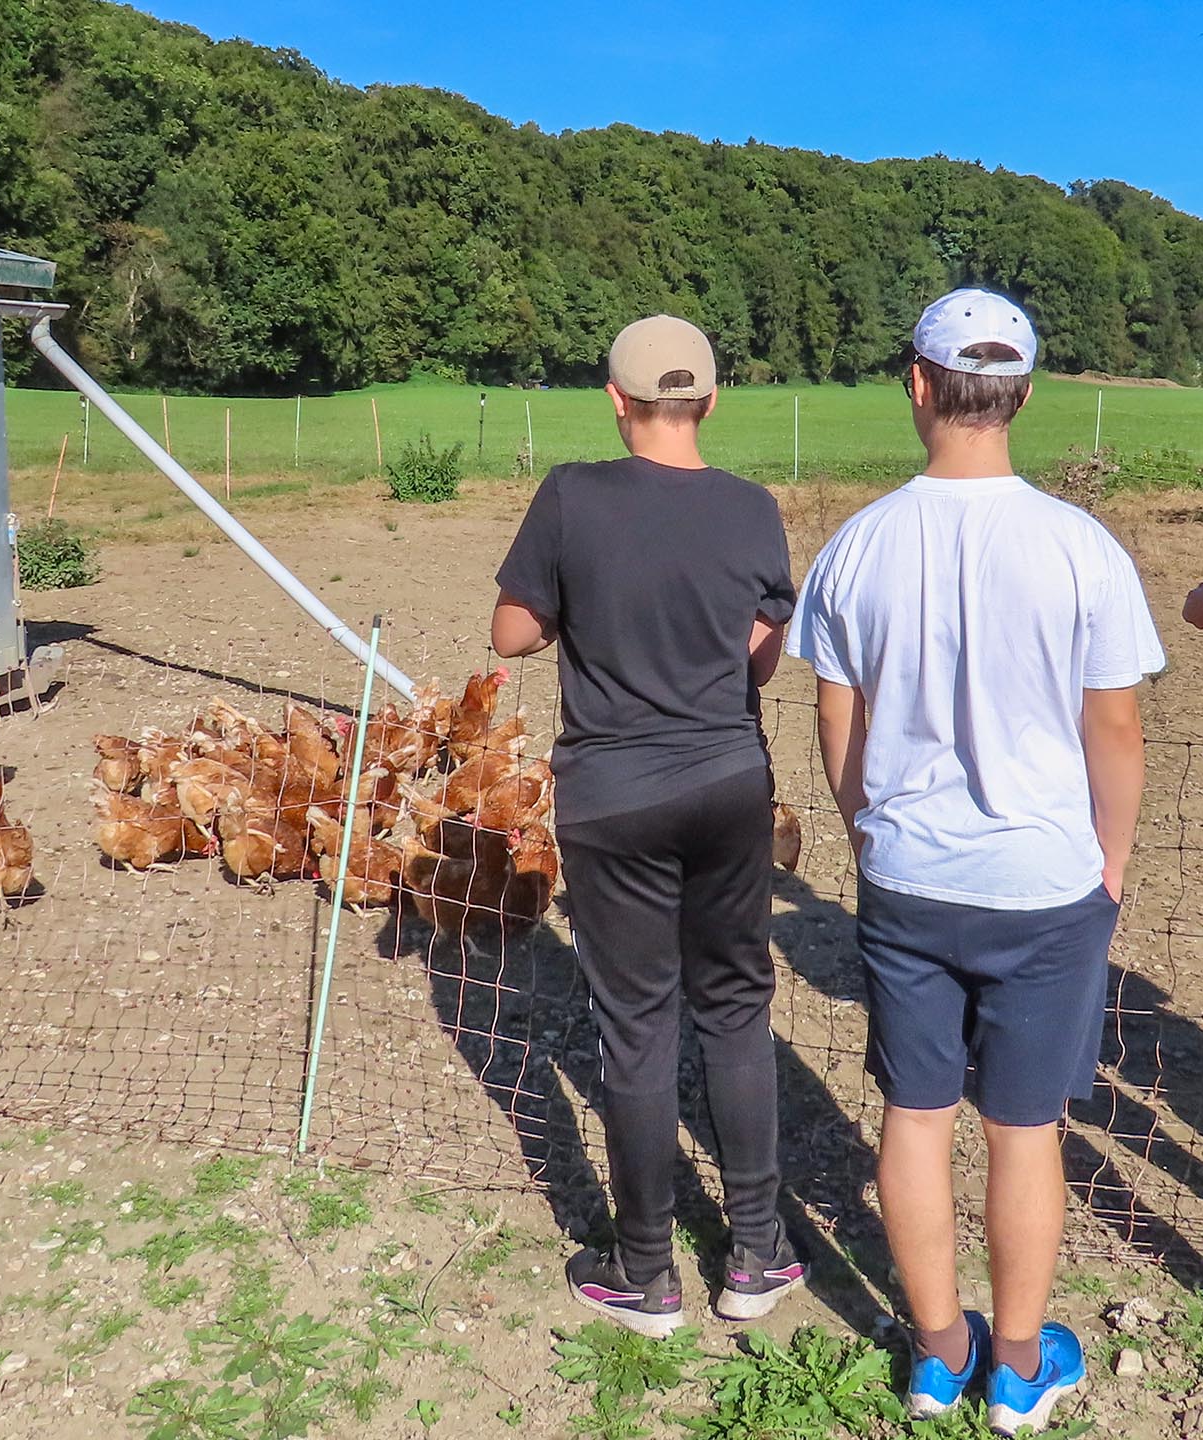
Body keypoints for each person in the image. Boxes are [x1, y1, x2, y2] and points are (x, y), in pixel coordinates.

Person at [788, 289, 1162, 1434]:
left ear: (917, 384)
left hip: (909, 877)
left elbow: (835, 717)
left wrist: (864, 827)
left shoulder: (858, 543)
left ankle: (936, 1355)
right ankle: (1017, 1366)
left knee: (914, 1115)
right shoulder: (1082, 548)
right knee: (1023, 1129)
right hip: (1046, 887)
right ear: (1026, 395)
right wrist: (1112, 862)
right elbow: (1117, 733)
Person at [490, 315, 801, 1337]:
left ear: (615, 401)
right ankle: (756, 1255)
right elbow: (761, 659)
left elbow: (514, 633)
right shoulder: (753, 509)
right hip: (726, 783)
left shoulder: (573, 494)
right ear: (709, 402)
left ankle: (645, 1274)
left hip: (613, 795)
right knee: (735, 1008)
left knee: (637, 1027)